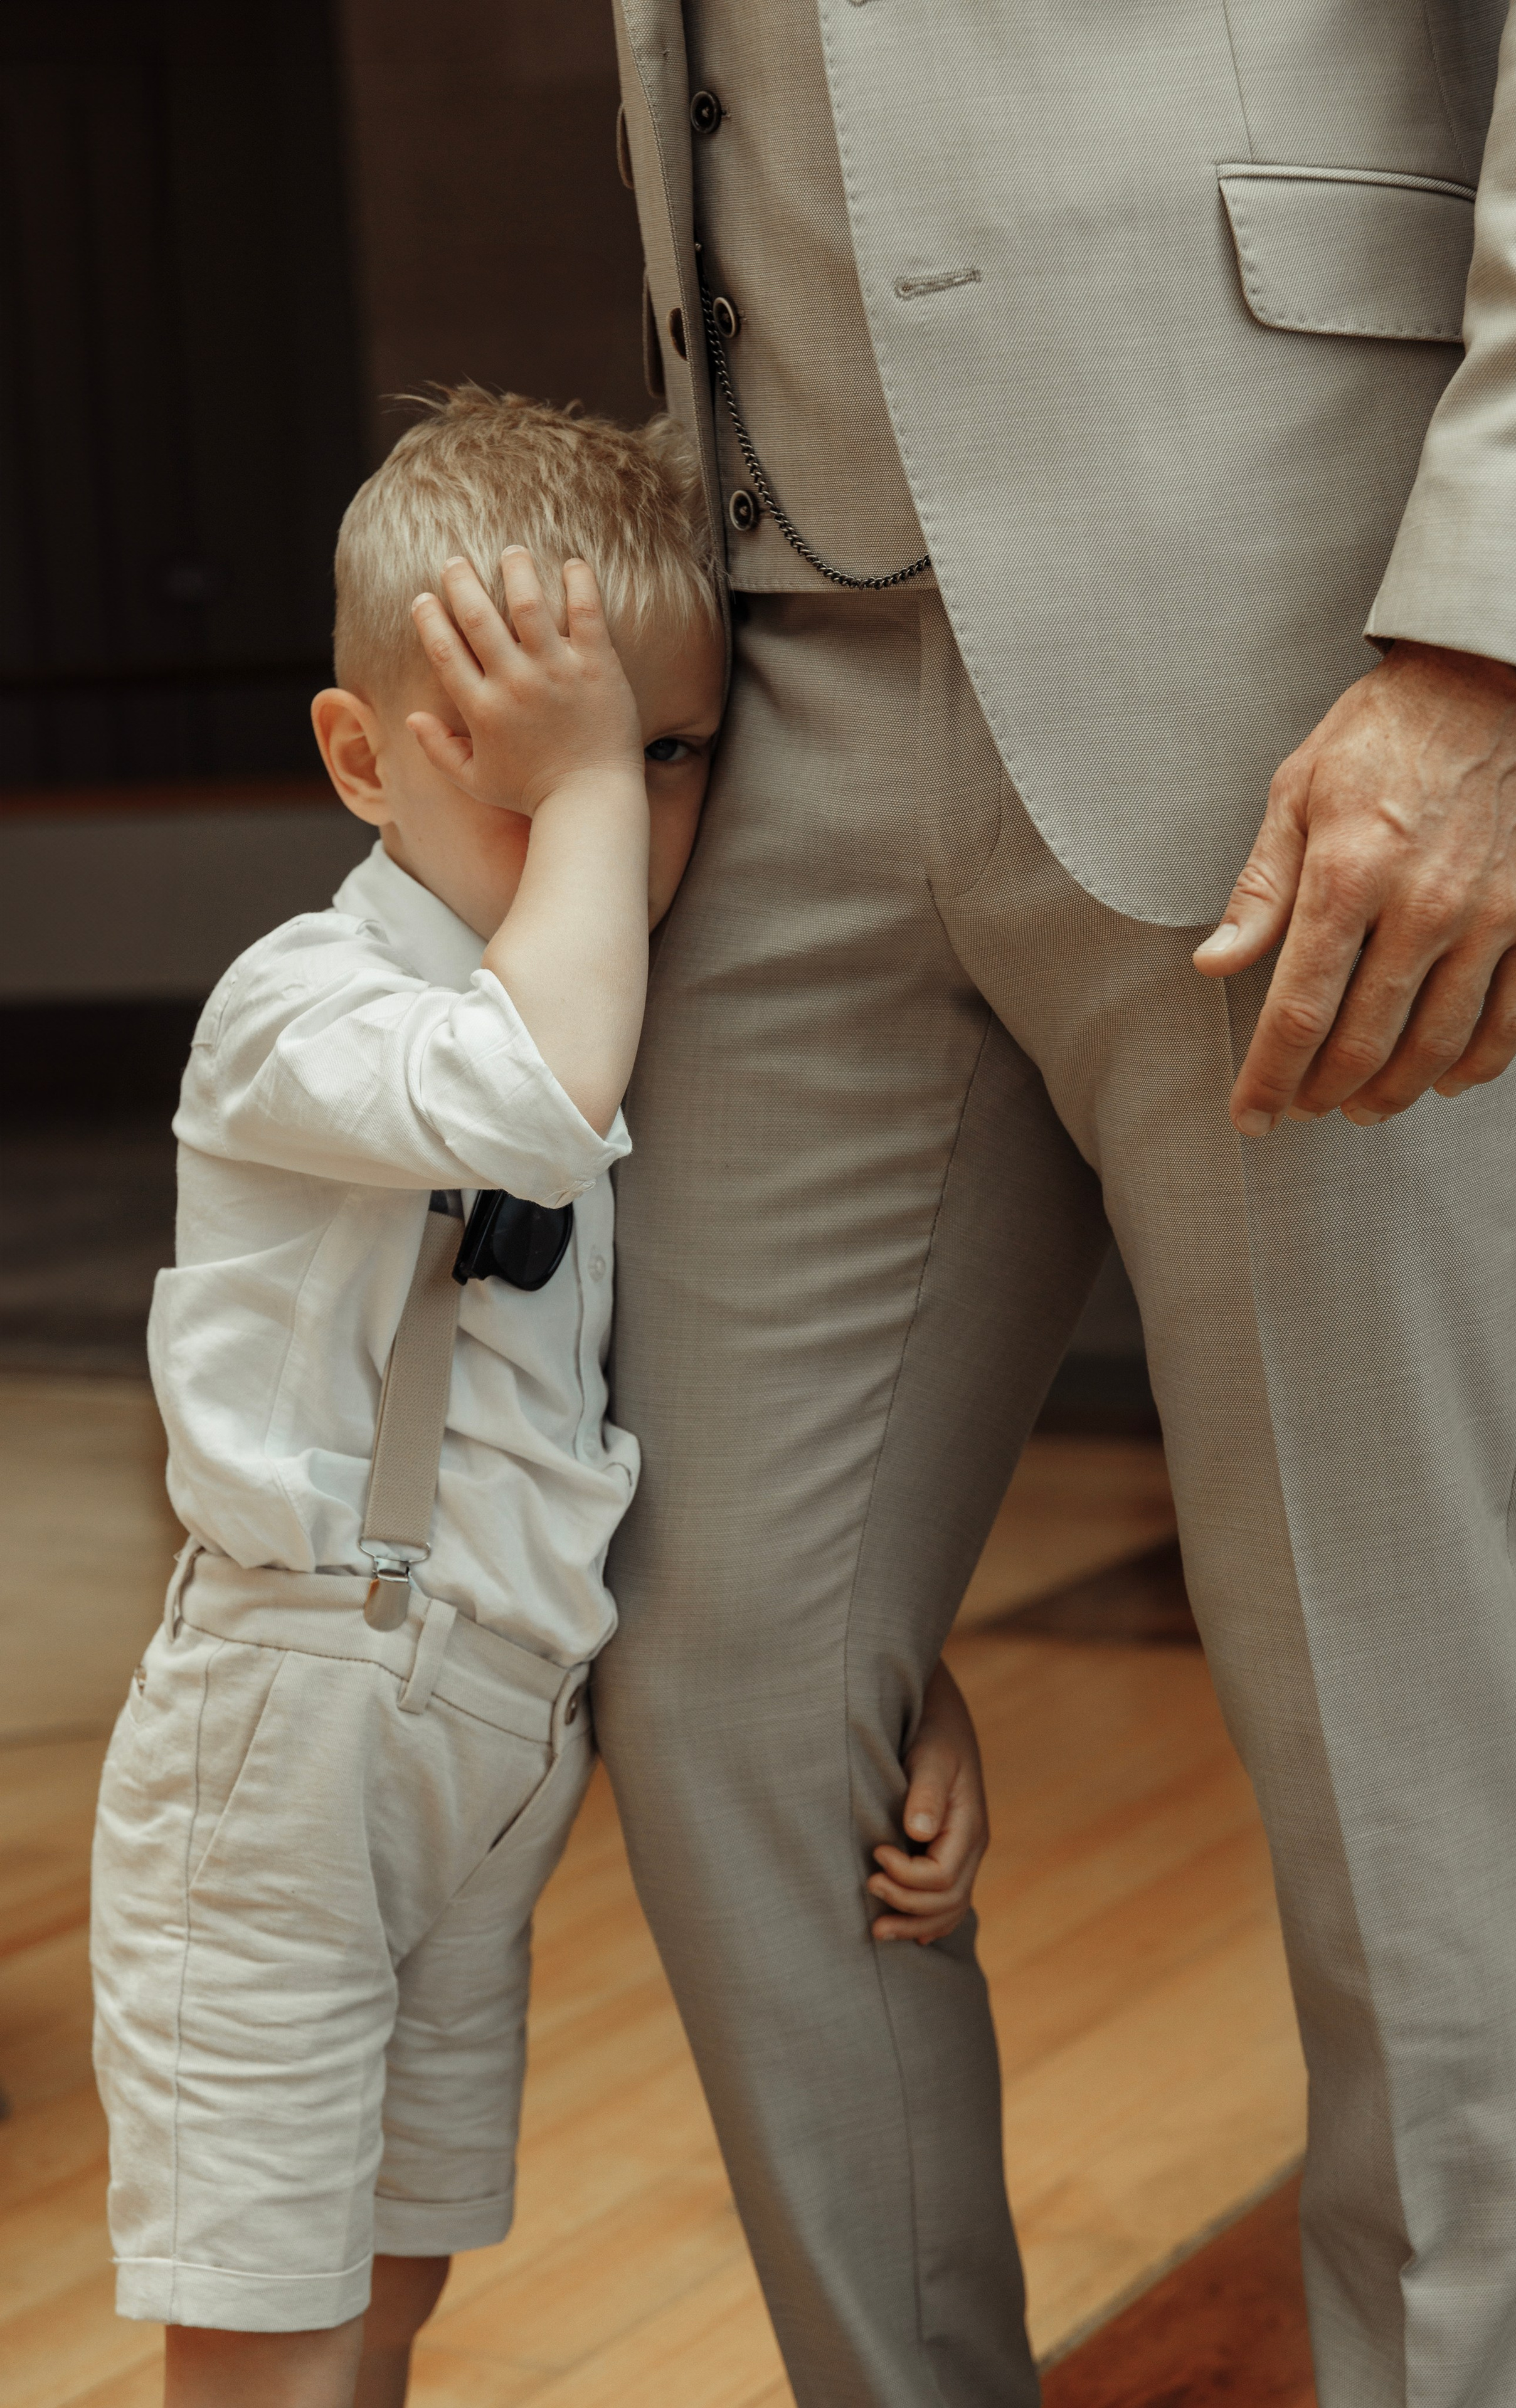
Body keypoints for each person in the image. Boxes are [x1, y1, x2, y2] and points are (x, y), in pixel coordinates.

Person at [601, 6, 1516, 2404]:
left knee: (1389, 1727)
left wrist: (1507, 643)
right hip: (782, 683)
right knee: (726, 1684)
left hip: (1309, 637)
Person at [88, 388, 992, 2408]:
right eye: (538, 758)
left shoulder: (615, 1059)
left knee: (396, 2281)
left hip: (490, 1761)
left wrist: (905, 1668)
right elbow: (524, 1091)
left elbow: (698, 1437)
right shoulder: (300, 1009)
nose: (629, 814)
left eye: (673, 757)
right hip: (293, 1738)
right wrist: (598, 787)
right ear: (357, 754)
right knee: (274, 2320)